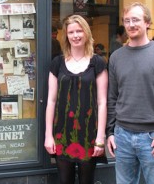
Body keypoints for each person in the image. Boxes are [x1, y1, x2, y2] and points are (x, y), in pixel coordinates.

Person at [106, 2, 154, 184]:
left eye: (136, 20)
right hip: (122, 136)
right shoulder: (116, 57)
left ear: (147, 23)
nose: (131, 24)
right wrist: (110, 132)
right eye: (127, 21)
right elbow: (112, 97)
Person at [44, 14, 108, 184]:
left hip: (89, 134)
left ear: (86, 33)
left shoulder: (98, 63)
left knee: (87, 181)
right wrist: (48, 135)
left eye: (79, 31)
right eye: (71, 32)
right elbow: (51, 101)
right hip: (62, 133)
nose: (76, 35)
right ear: (66, 35)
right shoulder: (57, 63)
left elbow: (102, 103)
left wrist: (101, 138)